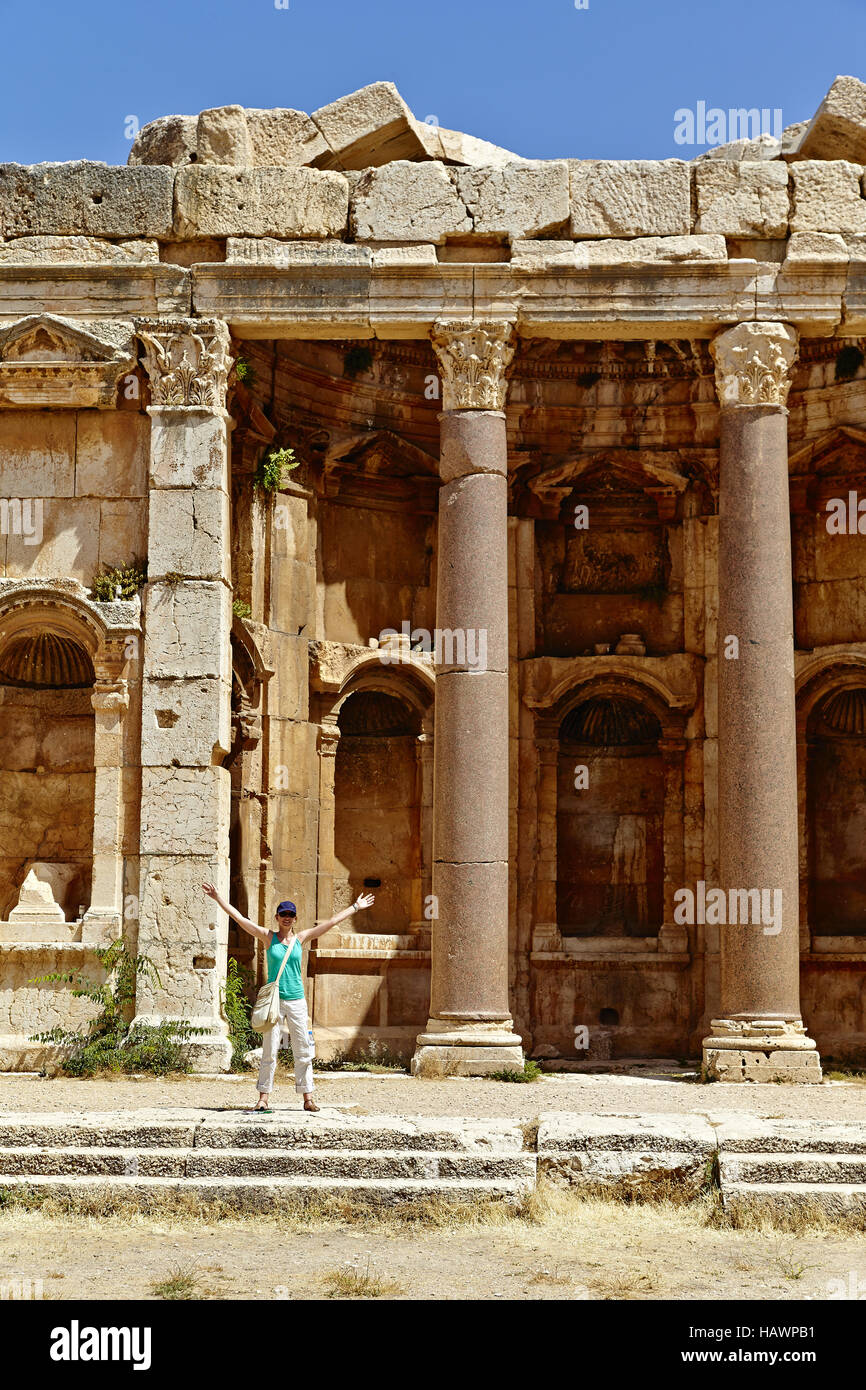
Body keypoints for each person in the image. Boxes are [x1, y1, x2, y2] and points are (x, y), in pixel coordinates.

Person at [201, 883, 375, 1112]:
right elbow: (241, 919)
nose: (287, 918)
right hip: (274, 1001)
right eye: (283, 914)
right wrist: (218, 897)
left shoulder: (300, 939)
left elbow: (330, 923)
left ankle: (308, 1097)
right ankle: (263, 1098)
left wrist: (355, 907)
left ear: (295, 918)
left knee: (303, 1048)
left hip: (296, 1000)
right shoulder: (268, 937)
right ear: (277, 917)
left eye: (291, 915)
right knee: (269, 1050)